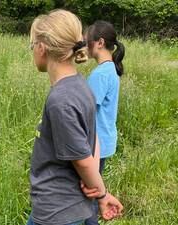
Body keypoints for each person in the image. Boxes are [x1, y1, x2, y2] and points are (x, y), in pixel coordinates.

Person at [26, 10, 123, 225]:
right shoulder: (81, 85)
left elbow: (83, 160)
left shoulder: (61, 100)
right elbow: (93, 137)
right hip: (63, 206)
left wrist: (102, 194)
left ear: (42, 48)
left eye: (32, 45)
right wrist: (98, 187)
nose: (33, 51)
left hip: (56, 210)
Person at [82, 20, 125, 225]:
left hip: (95, 143)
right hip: (106, 140)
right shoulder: (111, 70)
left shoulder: (99, 74)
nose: (84, 45)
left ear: (99, 43)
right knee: (93, 188)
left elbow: (87, 111)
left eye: (86, 41)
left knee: (89, 191)